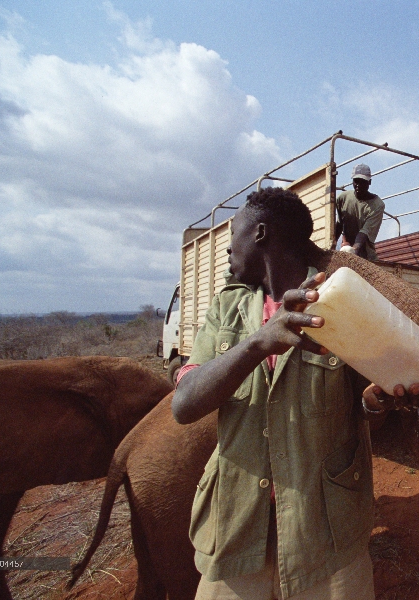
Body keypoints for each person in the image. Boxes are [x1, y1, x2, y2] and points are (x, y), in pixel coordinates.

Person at [171, 187, 376, 600]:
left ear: (260, 234)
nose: (228, 250)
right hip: (234, 536)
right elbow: (184, 403)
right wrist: (256, 343)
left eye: (233, 236)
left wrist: (381, 400)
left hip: (326, 542)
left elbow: (370, 403)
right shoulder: (227, 309)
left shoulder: (339, 301)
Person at [336, 164, 384, 261]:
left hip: (366, 256)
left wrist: (353, 250)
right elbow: (340, 224)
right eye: (356, 181)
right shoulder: (343, 198)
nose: (358, 185)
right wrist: (332, 246)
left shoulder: (377, 205)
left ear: (369, 182)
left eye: (363, 182)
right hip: (346, 251)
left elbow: (365, 232)